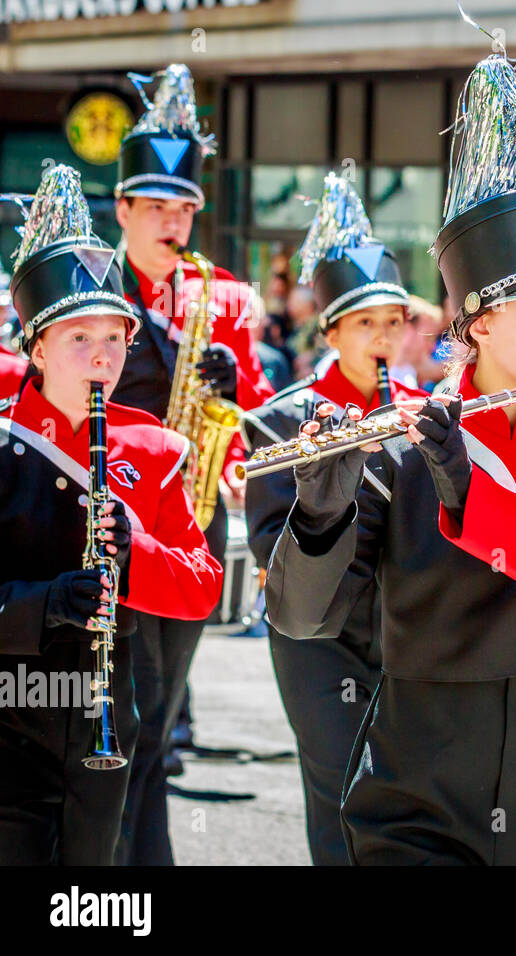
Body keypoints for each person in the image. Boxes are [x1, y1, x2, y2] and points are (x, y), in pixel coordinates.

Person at [264, 54, 516, 865]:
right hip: (413, 778)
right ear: (476, 322)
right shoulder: (397, 443)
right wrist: (316, 516)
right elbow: (302, 619)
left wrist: (474, 493)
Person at [0, 164, 220, 865]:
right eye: (78, 339)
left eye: (115, 339)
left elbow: (201, 585)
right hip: (9, 705)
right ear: (35, 348)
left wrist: (135, 553)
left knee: (95, 885)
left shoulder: (152, 447)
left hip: (107, 704)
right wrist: (40, 606)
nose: (103, 357)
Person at [109, 63, 274, 866]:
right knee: (116, 718)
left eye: (185, 210)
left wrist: (234, 394)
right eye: (158, 209)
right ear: (124, 211)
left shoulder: (224, 299)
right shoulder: (91, 286)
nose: (175, 224)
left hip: (191, 520)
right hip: (105, 521)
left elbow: (254, 411)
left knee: (158, 717)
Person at [242, 173, 427, 866]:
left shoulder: (431, 411)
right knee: (339, 785)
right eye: (364, 323)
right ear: (331, 330)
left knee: (403, 793)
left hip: (408, 626)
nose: (383, 338)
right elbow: (268, 542)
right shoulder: (279, 418)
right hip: (317, 633)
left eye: (393, 321)